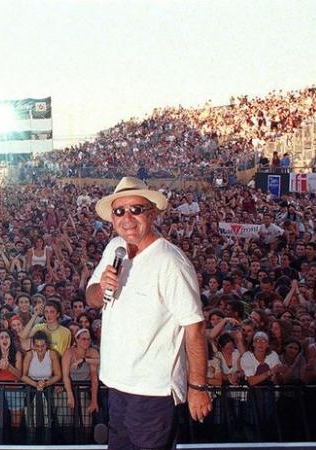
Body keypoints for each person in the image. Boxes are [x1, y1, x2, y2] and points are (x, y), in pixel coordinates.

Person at [86, 177, 212, 449]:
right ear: (112, 218)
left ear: (151, 213)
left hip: (153, 392)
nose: (127, 218)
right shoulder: (113, 249)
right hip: (117, 385)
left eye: (136, 209)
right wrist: (101, 287)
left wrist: (198, 387)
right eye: (119, 211)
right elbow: (91, 297)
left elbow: (195, 328)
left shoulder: (170, 262)